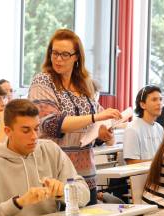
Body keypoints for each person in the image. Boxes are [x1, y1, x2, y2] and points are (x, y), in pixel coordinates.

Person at [28, 29, 121, 205]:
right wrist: (95, 117)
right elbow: (50, 123)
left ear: (76, 57)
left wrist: (102, 134)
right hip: (57, 175)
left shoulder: (85, 85)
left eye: (65, 54)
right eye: (54, 53)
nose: (58, 59)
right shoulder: (43, 81)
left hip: (87, 175)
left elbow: (96, 126)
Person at [0, 99, 90, 216]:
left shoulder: (51, 151)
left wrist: (63, 191)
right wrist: (18, 203)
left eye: (36, 129)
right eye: (26, 130)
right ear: (8, 132)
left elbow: (85, 195)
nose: (34, 136)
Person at [123, 85, 164, 164]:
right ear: (142, 105)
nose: (159, 103)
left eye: (160, 99)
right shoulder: (132, 129)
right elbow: (131, 162)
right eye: (154, 100)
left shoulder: (159, 128)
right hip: (140, 175)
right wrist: (159, 162)